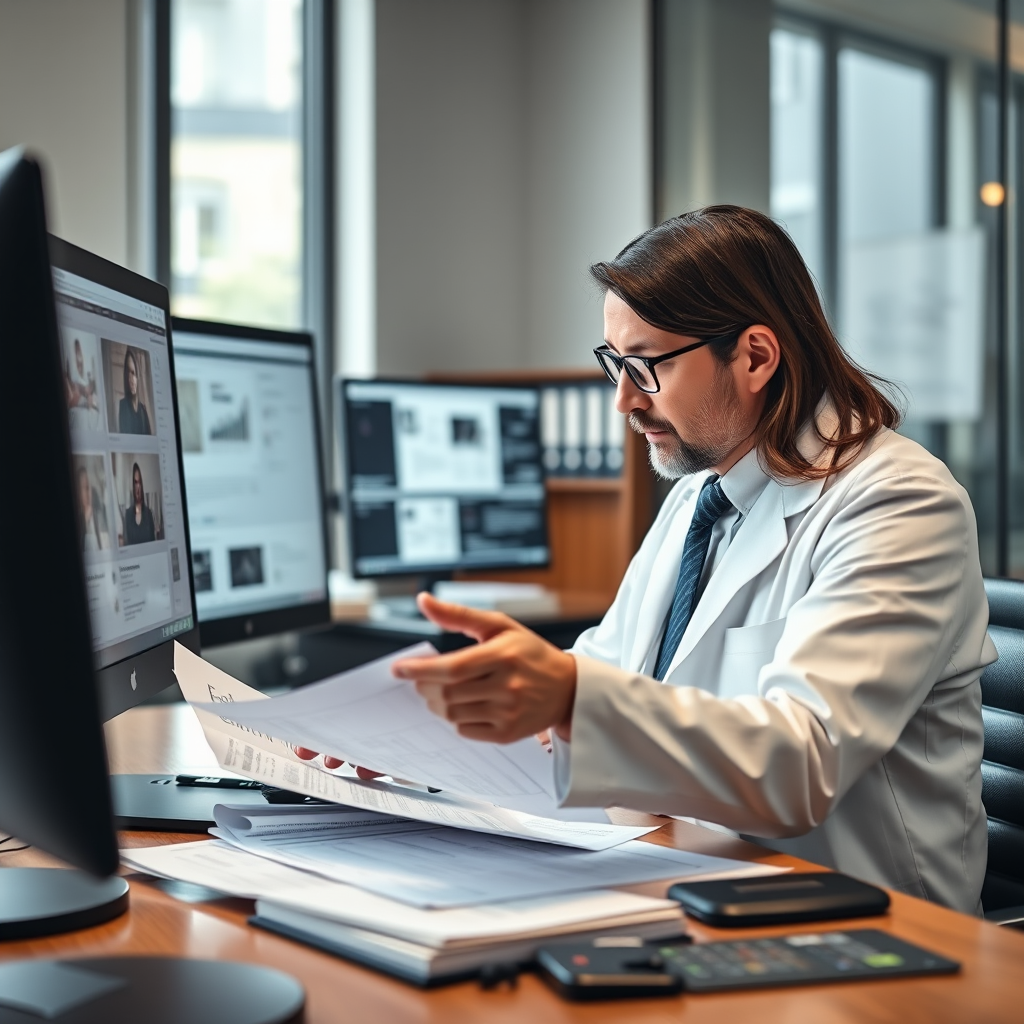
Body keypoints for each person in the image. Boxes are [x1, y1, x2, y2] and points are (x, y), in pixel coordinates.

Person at [375, 206, 995, 915]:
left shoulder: (900, 505)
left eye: (645, 367)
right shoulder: (703, 492)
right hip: (695, 883)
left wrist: (570, 697)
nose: (624, 400)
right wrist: (400, 744)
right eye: (614, 363)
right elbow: (602, 677)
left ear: (756, 356)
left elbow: (798, 764)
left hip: (874, 934)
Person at [118, 348, 152, 435]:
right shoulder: (122, 406)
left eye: (133, 373)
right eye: (128, 374)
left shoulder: (143, 410)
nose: (131, 380)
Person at [123, 461, 156, 544]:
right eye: (135, 482)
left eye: (140, 482)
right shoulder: (128, 515)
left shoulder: (149, 514)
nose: (138, 487)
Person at [76, 466, 108, 551]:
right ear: (78, 492)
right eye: (86, 488)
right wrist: (85, 520)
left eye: (90, 487)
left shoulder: (99, 513)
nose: (90, 492)